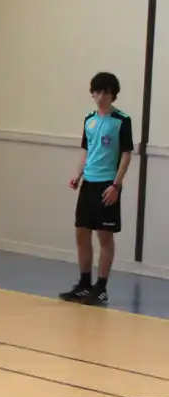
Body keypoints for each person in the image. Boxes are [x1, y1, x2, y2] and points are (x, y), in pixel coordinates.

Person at [61, 71, 134, 306]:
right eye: (97, 92)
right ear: (92, 93)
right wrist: (78, 175)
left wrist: (116, 185)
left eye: (106, 93)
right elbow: (87, 150)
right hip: (89, 183)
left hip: (107, 184)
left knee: (104, 236)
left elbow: (126, 154)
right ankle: (84, 284)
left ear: (113, 95)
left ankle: (101, 288)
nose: (101, 97)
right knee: (82, 232)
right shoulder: (89, 120)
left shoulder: (122, 120)